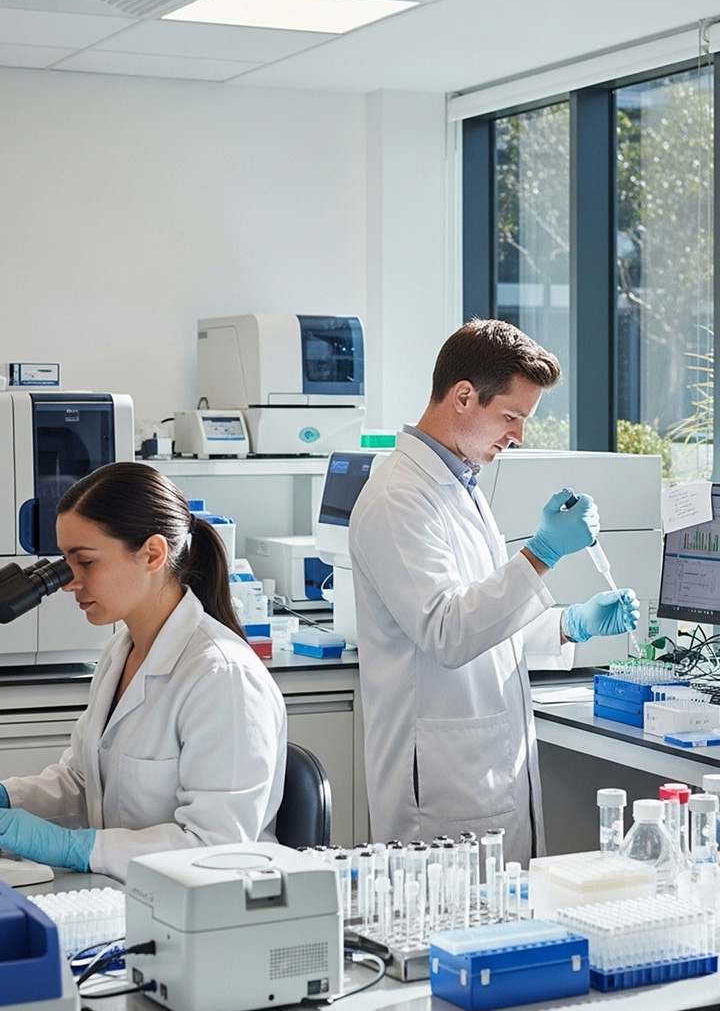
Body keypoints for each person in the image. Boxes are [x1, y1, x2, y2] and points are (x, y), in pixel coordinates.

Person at [349, 318, 639, 864]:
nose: (518, 436)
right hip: (438, 786)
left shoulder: (460, 482)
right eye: (510, 416)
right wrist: (542, 553)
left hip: (483, 766)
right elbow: (448, 633)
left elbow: (487, 623)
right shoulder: (399, 499)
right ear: (463, 396)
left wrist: (567, 623)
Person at [0, 462, 287, 882]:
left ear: (153, 553)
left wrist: (75, 847)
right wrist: (11, 797)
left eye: (86, 562)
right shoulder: (122, 651)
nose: (68, 582)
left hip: (208, 912)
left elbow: (217, 847)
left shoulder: (222, 677)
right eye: (65, 561)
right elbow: (85, 780)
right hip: (123, 894)